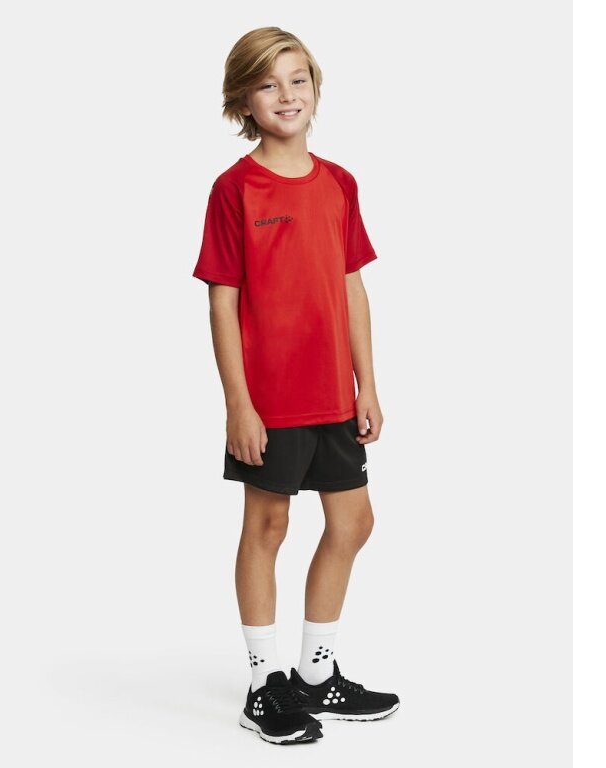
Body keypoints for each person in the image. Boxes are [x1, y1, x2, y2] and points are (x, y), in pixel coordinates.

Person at [192, 27, 399, 745]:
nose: (286, 95)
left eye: (297, 79)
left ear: (315, 87)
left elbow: (351, 286)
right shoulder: (234, 189)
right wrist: (238, 405)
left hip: (333, 392)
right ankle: (263, 684)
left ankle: (316, 674)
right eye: (268, 84)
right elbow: (222, 302)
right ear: (243, 101)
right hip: (271, 399)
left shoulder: (339, 183)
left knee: (353, 523)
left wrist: (367, 384)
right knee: (268, 526)